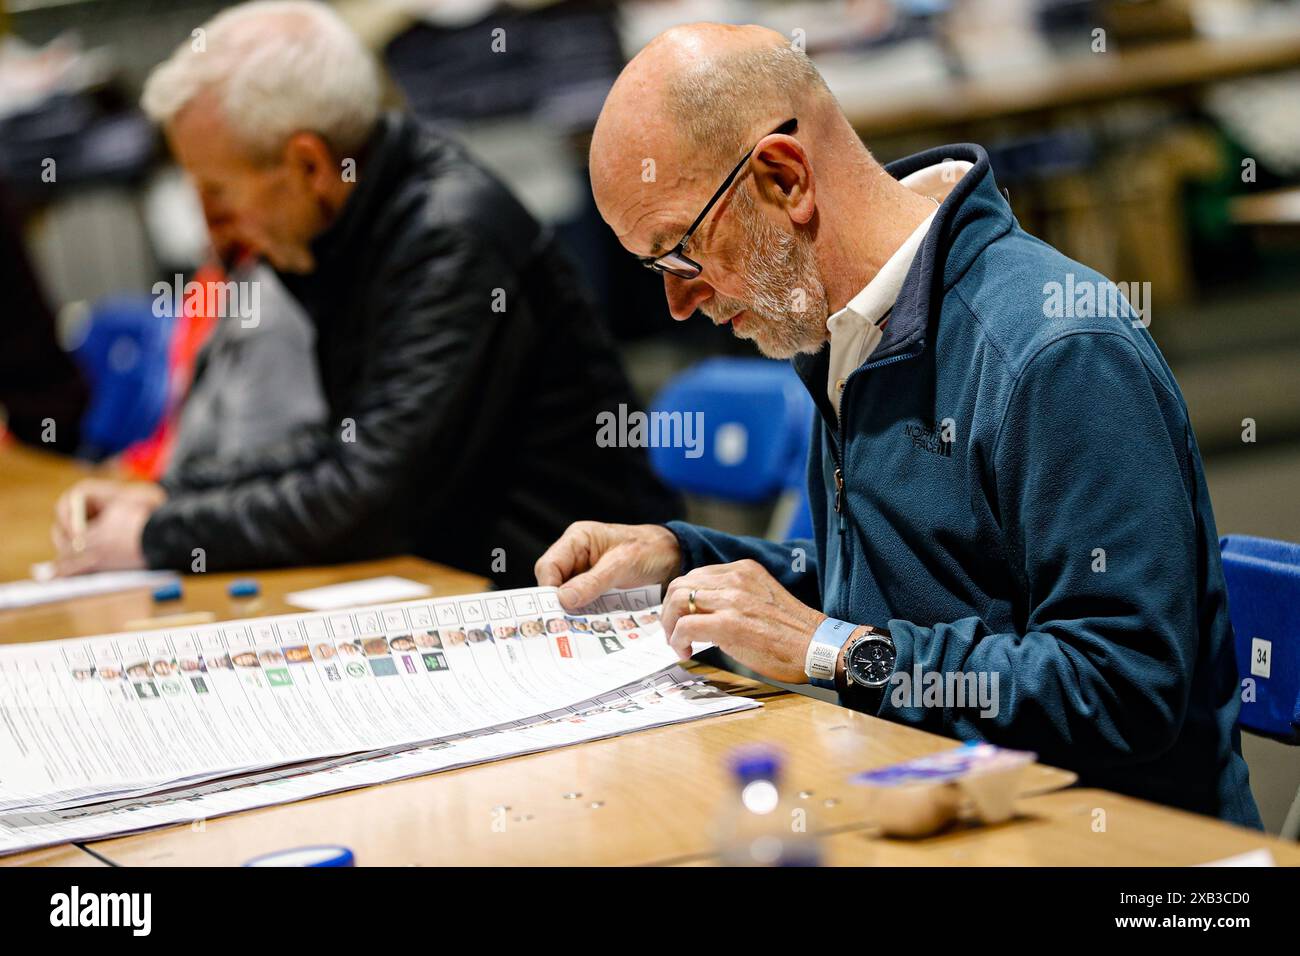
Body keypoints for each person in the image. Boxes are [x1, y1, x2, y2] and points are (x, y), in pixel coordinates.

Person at [535, 23, 1260, 826]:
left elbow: (1122, 687)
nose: (678, 301)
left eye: (681, 253)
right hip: (935, 811)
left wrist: (837, 652)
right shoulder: (844, 324)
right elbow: (892, 583)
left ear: (784, 179)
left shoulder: (1057, 352)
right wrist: (683, 557)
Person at [49, 0, 679, 587]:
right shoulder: (349, 223)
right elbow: (346, 442)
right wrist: (170, 493)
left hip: (581, 614)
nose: (212, 228)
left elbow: (372, 496)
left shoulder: (450, 235)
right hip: (457, 590)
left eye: (218, 192)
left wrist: (158, 534)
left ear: (310, 167)